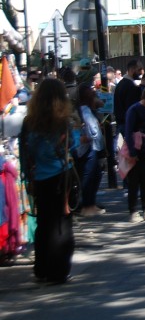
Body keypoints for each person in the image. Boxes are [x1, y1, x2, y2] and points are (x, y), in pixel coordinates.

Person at [19, 78, 76, 283]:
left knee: (44, 222)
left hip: (39, 177)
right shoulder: (64, 122)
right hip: (62, 175)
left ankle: (42, 267)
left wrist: (28, 176)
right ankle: (59, 270)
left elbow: (24, 152)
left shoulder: (29, 122)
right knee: (62, 222)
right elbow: (73, 146)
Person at [124, 86, 145, 223]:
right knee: (133, 181)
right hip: (135, 146)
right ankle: (133, 211)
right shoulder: (133, 110)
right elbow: (128, 131)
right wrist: (132, 151)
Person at [76, 83, 106, 216]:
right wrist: (96, 131)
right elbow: (93, 132)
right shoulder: (86, 110)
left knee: (94, 175)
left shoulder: (82, 110)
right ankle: (88, 205)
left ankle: (90, 204)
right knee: (90, 176)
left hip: (89, 147)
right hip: (89, 146)